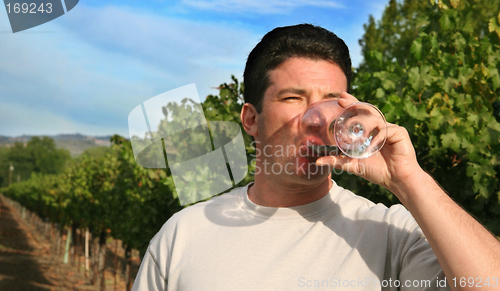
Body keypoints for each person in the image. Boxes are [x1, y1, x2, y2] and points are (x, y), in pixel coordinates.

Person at [132, 24, 500, 290]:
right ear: (251, 119)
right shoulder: (183, 235)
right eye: (293, 98)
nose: (318, 118)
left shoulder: (390, 235)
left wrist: (409, 180)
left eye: (331, 102)